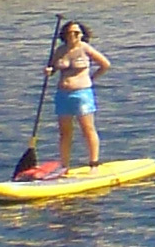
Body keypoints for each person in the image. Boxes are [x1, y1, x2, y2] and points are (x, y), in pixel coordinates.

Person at [40, 19, 110, 170]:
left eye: (77, 33)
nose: (73, 36)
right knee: (65, 132)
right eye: (70, 33)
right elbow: (52, 69)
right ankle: (64, 165)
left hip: (82, 93)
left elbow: (105, 64)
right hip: (62, 94)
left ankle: (93, 163)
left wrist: (91, 78)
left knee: (87, 129)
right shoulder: (60, 50)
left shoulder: (85, 48)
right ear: (64, 35)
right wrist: (48, 71)